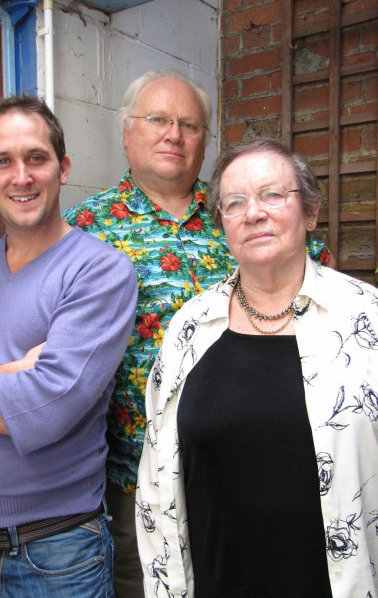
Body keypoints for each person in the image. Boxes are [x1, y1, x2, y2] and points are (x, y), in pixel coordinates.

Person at [63, 70, 332, 597]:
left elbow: (322, 290)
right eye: (158, 119)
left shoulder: (238, 207)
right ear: (127, 131)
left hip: (274, 471)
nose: (174, 134)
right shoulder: (82, 230)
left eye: (189, 124)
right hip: (142, 483)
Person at [136, 138, 377, 598]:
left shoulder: (367, 320)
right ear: (223, 223)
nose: (253, 213)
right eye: (235, 202)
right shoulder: (191, 327)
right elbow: (154, 479)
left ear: (310, 212)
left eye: (272, 194)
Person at [0, 94, 138, 598]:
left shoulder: (101, 271)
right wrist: (14, 374)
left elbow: (47, 410)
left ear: (62, 169)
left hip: (54, 557)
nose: (20, 176)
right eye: (3, 161)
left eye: (36, 158)